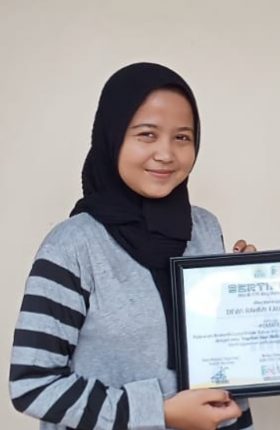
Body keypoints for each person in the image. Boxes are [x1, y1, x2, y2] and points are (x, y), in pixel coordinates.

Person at [9, 63, 255, 430]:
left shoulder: (205, 228)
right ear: (112, 137)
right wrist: (159, 412)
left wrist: (248, 294)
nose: (166, 154)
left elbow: (217, 355)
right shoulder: (73, 246)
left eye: (182, 137)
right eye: (146, 135)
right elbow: (32, 383)